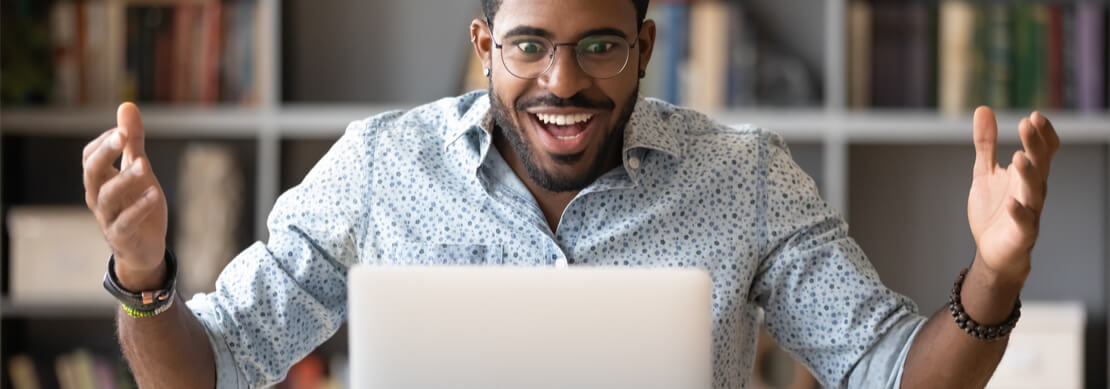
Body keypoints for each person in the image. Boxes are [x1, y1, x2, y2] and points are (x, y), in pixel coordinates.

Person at [80, 0, 1060, 387]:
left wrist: (994, 272)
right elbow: (203, 370)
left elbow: (897, 373)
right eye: (528, 46)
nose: (561, 81)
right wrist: (142, 269)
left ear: (644, 44)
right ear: (483, 46)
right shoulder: (378, 167)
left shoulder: (745, 176)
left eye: (599, 45)